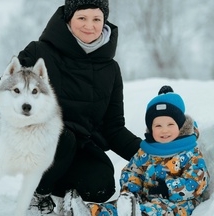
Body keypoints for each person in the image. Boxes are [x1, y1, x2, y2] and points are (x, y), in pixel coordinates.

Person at [0, 0, 142, 214]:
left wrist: (151, 153)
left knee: (101, 183)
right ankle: (35, 195)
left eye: (97, 19)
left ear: (105, 22)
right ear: (69, 19)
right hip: (34, 144)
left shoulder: (110, 69)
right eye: (82, 17)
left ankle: (66, 197)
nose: (90, 26)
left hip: (77, 149)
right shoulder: (39, 52)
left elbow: (114, 128)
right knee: (62, 137)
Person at [66, 86, 210, 216]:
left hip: (178, 204)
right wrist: (131, 190)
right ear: (151, 128)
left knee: (156, 211)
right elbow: (133, 170)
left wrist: (168, 188)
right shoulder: (147, 151)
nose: (164, 130)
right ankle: (86, 212)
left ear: (180, 126)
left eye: (170, 124)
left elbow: (198, 181)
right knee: (115, 207)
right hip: (143, 199)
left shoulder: (189, 152)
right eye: (158, 125)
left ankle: (134, 213)